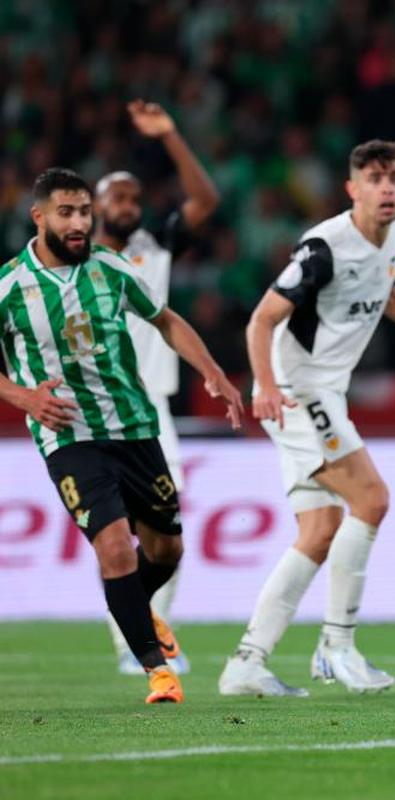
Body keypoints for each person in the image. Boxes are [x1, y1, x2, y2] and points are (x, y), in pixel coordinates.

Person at [218, 140, 395, 697]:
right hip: (298, 391)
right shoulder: (325, 247)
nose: (387, 187)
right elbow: (261, 319)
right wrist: (268, 387)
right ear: (353, 189)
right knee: (372, 499)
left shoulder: (394, 238)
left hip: (324, 392)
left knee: (319, 531)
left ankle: (246, 662)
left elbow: (388, 294)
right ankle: (336, 646)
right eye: (374, 178)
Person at [0, 167, 242, 704]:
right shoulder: (11, 286)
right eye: (67, 212)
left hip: (134, 427)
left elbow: (167, 321)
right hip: (68, 436)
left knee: (168, 548)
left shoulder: (112, 268)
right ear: (39, 217)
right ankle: (157, 670)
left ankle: (138, 611)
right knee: (115, 550)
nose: (80, 221)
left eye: (85, 211)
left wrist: (213, 373)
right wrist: (25, 398)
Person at [94, 99, 221, 675]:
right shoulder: (76, 261)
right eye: (118, 197)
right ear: (94, 207)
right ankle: (132, 640)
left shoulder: (154, 246)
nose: (129, 206)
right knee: (115, 530)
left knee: (166, 530)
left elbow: (206, 202)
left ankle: (151, 631)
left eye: (134, 199)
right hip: (93, 410)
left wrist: (170, 134)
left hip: (151, 410)